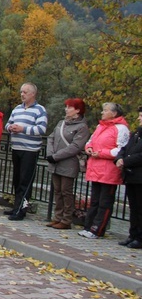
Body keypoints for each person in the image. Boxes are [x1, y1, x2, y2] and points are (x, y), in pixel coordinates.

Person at [79, 102, 129, 239]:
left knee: (104, 202)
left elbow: (121, 149)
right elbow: (90, 140)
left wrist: (101, 152)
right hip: (95, 169)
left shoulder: (121, 128)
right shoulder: (101, 126)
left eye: (105, 110)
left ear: (113, 113)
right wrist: (88, 148)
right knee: (94, 200)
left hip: (109, 171)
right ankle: (88, 227)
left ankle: (97, 229)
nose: (102, 113)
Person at [4, 83, 48, 221]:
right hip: (16, 148)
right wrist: (10, 127)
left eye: (25, 92)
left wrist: (23, 129)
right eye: (21, 91)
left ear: (33, 94)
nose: (22, 94)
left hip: (30, 150)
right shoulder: (17, 108)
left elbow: (41, 129)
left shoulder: (40, 110)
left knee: (25, 181)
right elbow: (7, 124)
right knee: (16, 180)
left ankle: (20, 210)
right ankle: (16, 206)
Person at [44, 98, 90, 229]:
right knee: (57, 190)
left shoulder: (82, 127)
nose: (66, 109)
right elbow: (51, 137)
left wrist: (56, 156)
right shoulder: (61, 123)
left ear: (77, 111)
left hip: (69, 163)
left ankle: (66, 219)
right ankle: (57, 216)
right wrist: (50, 153)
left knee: (66, 191)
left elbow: (75, 147)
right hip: (56, 162)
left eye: (69, 107)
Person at [116, 106, 142, 248]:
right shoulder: (136, 134)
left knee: (140, 208)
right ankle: (132, 235)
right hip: (131, 176)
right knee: (133, 208)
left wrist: (126, 161)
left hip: (140, 177)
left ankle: (140, 237)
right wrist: (119, 158)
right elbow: (125, 148)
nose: (139, 118)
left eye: (141, 116)